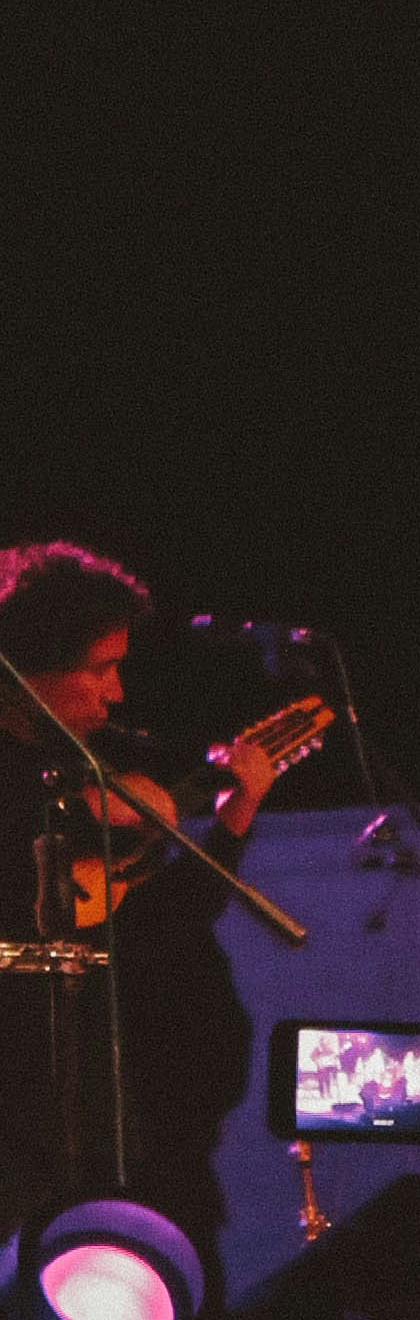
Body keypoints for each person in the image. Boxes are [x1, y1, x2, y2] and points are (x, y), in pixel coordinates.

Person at [0, 542, 275, 1267]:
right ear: (29, 670)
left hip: (94, 1119)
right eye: (99, 668)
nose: (116, 693)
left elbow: (158, 925)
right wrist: (86, 810)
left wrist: (234, 817)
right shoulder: (53, 788)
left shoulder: (84, 770)